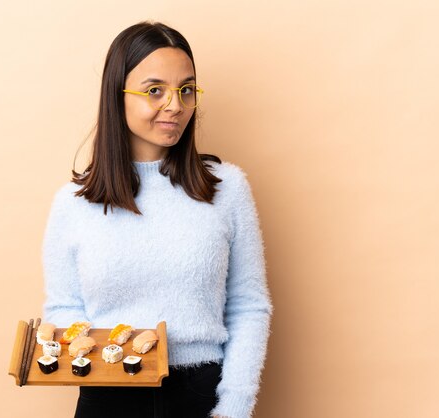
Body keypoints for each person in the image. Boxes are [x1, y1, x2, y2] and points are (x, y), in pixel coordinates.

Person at [42, 21, 273, 418]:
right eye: (155, 90)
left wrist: (235, 404)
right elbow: (63, 308)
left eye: (186, 90)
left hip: (201, 394)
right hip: (106, 393)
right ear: (118, 96)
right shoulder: (73, 203)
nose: (175, 105)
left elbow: (248, 306)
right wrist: (106, 351)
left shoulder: (227, 188)